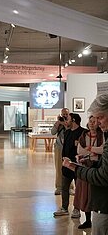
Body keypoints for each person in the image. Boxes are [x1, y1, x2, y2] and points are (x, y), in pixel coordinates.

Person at [63, 94, 108, 235]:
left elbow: (103, 176)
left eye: (100, 118)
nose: (97, 122)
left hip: (105, 205)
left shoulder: (102, 136)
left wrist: (74, 167)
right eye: (94, 119)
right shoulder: (84, 135)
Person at [74, 115, 104, 229]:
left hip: (97, 168)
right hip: (85, 167)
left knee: (94, 194)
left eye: (94, 121)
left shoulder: (102, 136)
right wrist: (93, 152)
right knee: (85, 195)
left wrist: (91, 149)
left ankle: (96, 220)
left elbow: (103, 150)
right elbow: (80, 150)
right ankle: (87, 220)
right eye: (90, 121)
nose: (91, 123)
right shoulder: (84, 135)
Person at [53, 113, 85, 217]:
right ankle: (64, 208)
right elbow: (64, 147)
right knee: (64, 187)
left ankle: (77, 209)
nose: (66, 121)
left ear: (74, 120)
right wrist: (63, 160)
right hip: (66, 165)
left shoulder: (83, 132)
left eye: (68, 119)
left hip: (77, 165)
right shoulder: (67, 132)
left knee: (78, 188)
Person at [51, 108, 69, 195]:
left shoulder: (71, 123)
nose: (65, 116)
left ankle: (70, 187)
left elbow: (70, 130)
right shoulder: (59, 123)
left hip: (69, 148)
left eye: (66, 114)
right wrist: (58, 123)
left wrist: (65, 124)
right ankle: (59, 187)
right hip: (59, 147)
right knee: (59, 168)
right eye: (63, 114)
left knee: (69, 167)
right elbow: (52, 132)